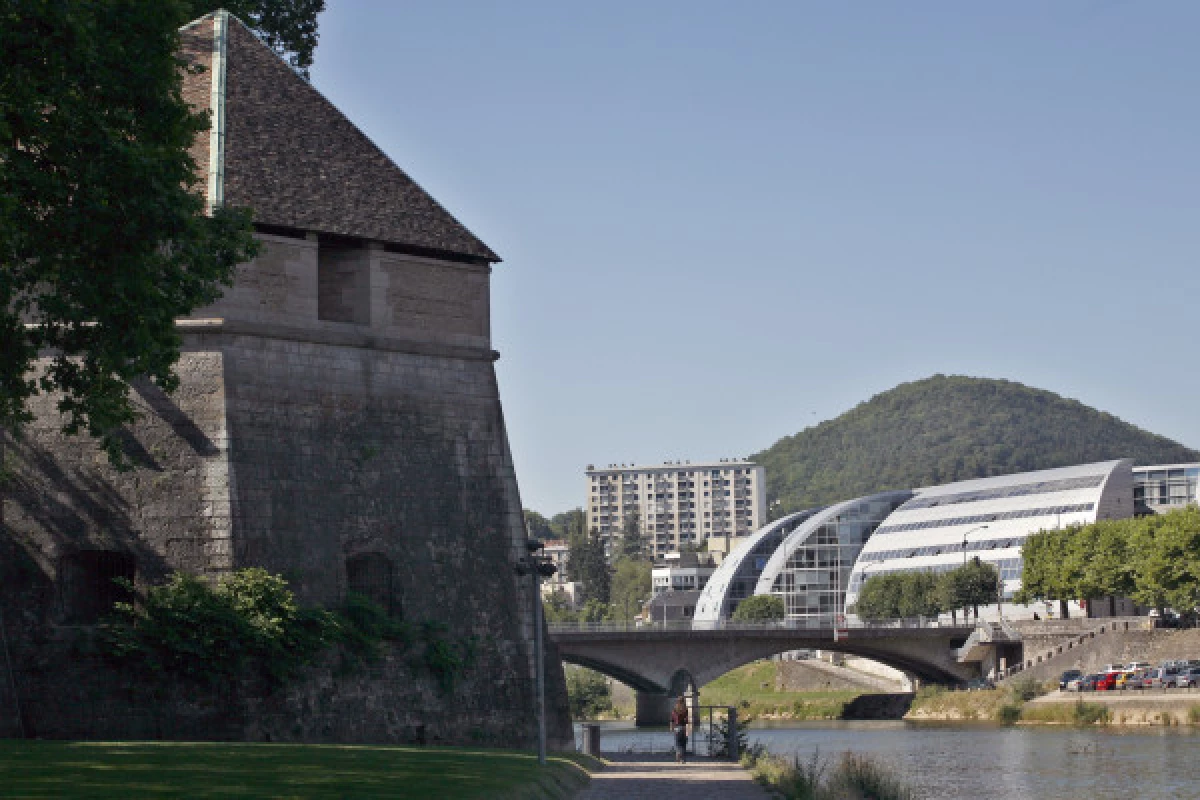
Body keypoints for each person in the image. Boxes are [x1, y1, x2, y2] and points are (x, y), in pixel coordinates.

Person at [670, 696, 689, 764]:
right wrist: (687, 731)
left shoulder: (674, 709)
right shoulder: (685, 710)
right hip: (683, 727)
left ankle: (678, 753)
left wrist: (671, 728)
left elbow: (672, 720)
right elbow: (686, 721)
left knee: (678, 743)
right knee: (683, 744)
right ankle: (683, 759)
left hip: (677, 728)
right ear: (684, 702)